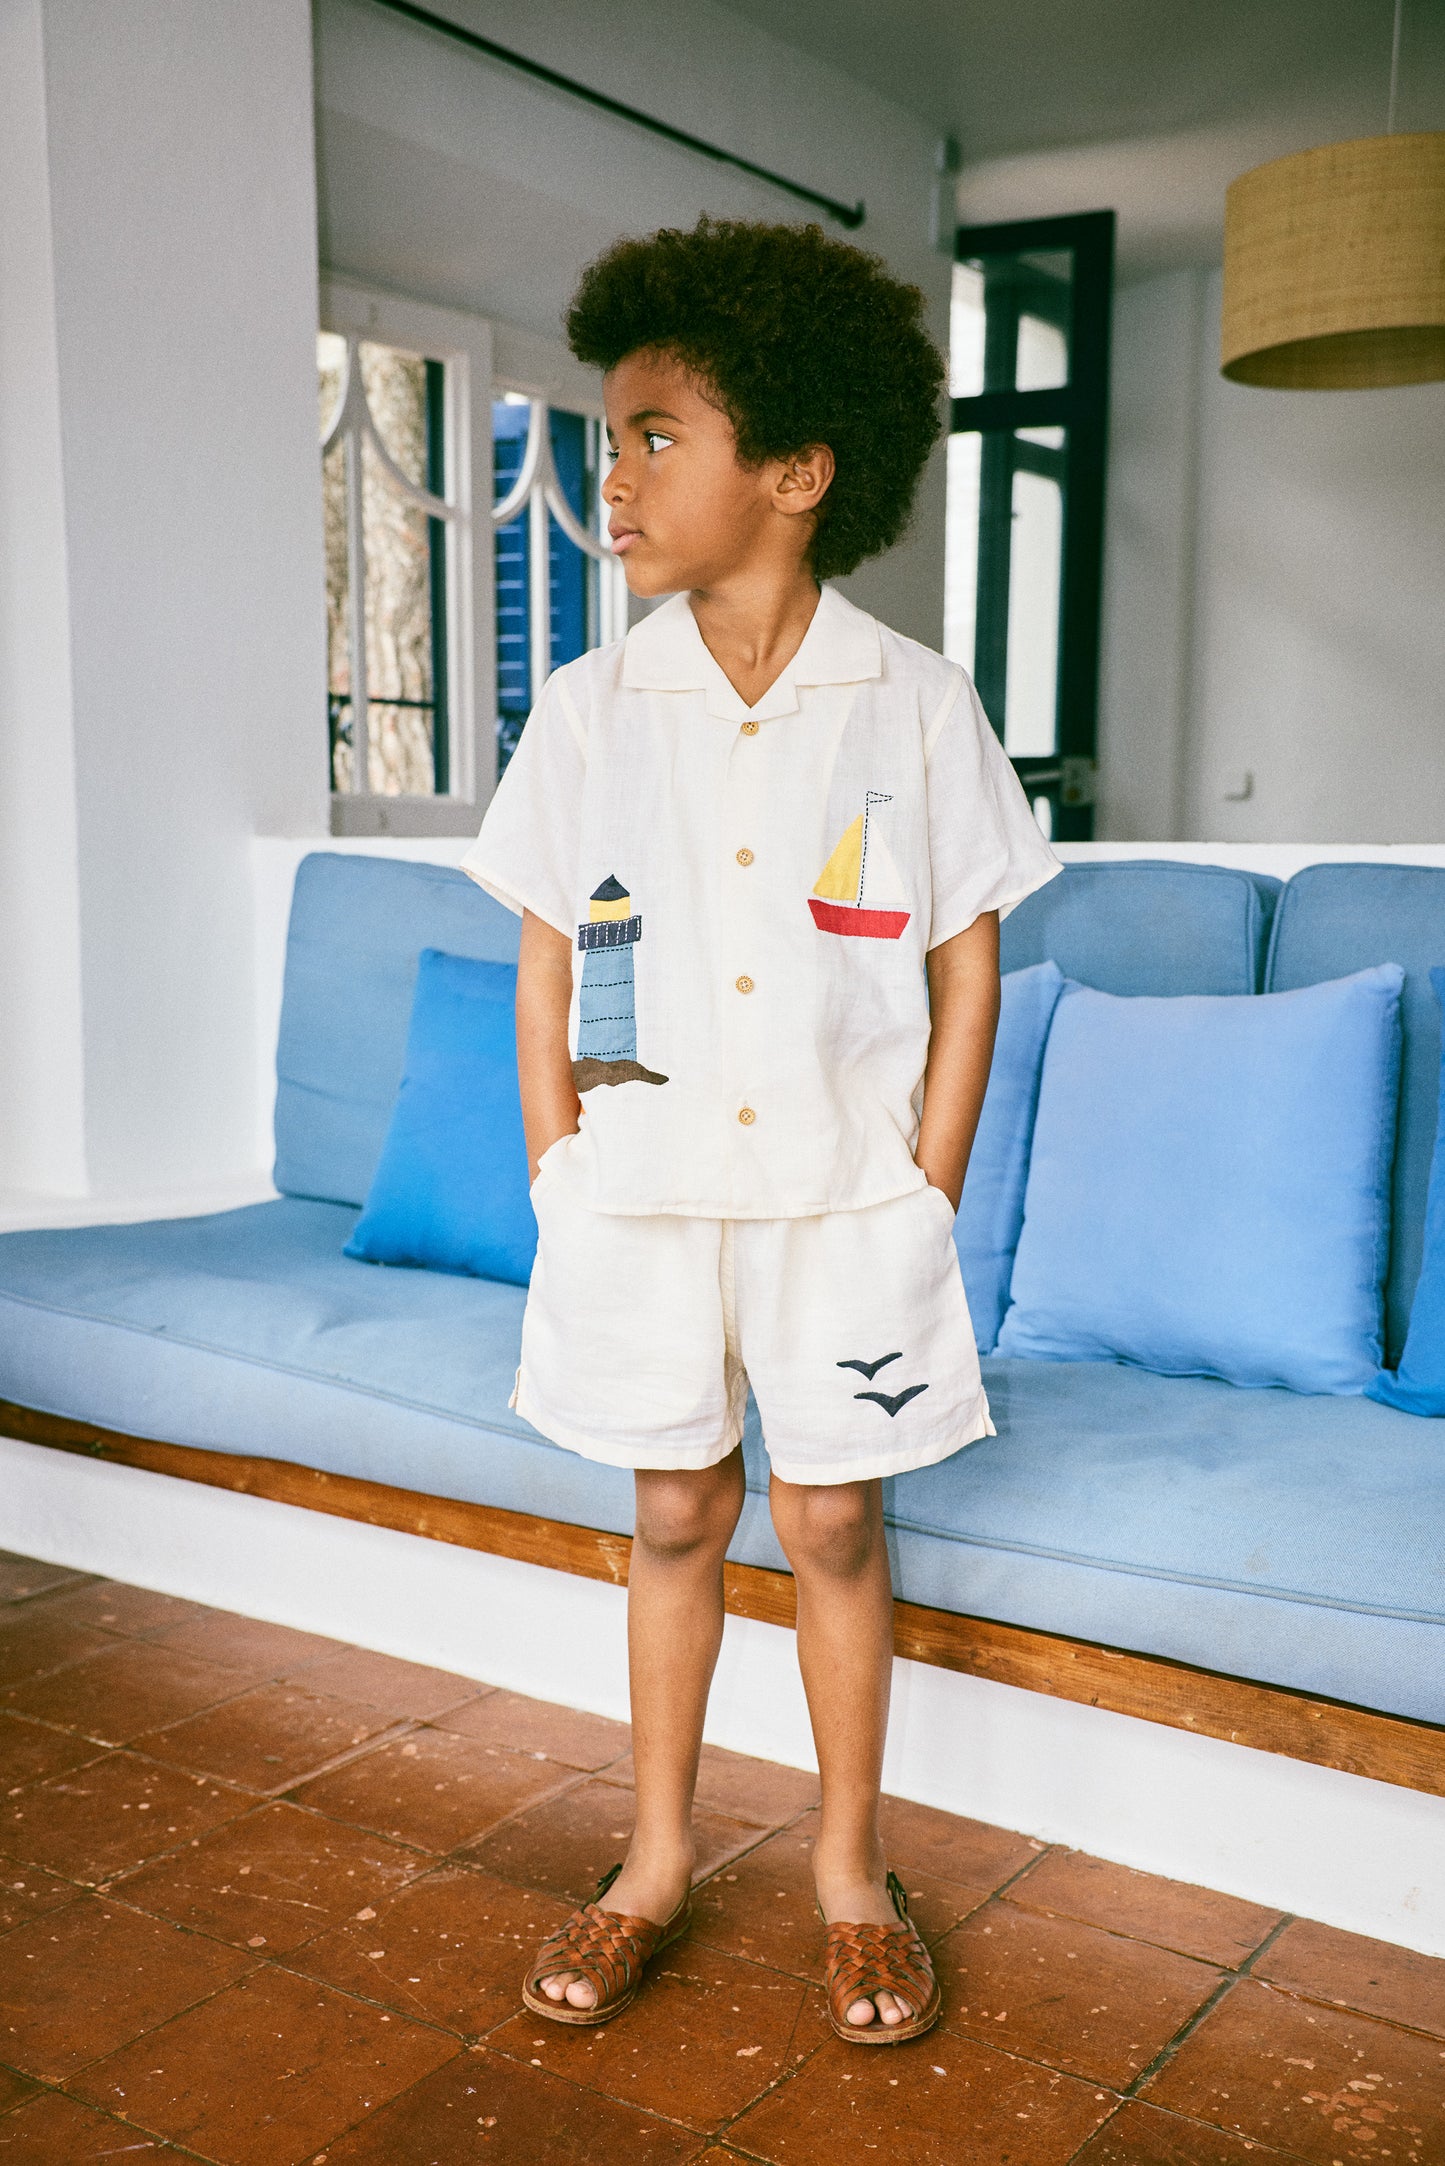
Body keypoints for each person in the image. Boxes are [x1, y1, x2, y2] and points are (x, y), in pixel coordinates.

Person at [462, 216, 1060, 2044]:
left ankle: (849, 1874)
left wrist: (923, 1186)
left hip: (844, 1199)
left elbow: (964, 973)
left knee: (832, 1519)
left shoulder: (917, 703)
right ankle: (651, 1859)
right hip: (641, 1196)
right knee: (671, 1508)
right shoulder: (588, 709)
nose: (614, 475)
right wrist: (559, 1164)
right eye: (611, 436)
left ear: (796, 472)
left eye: (656, 436)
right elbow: (546, 964)